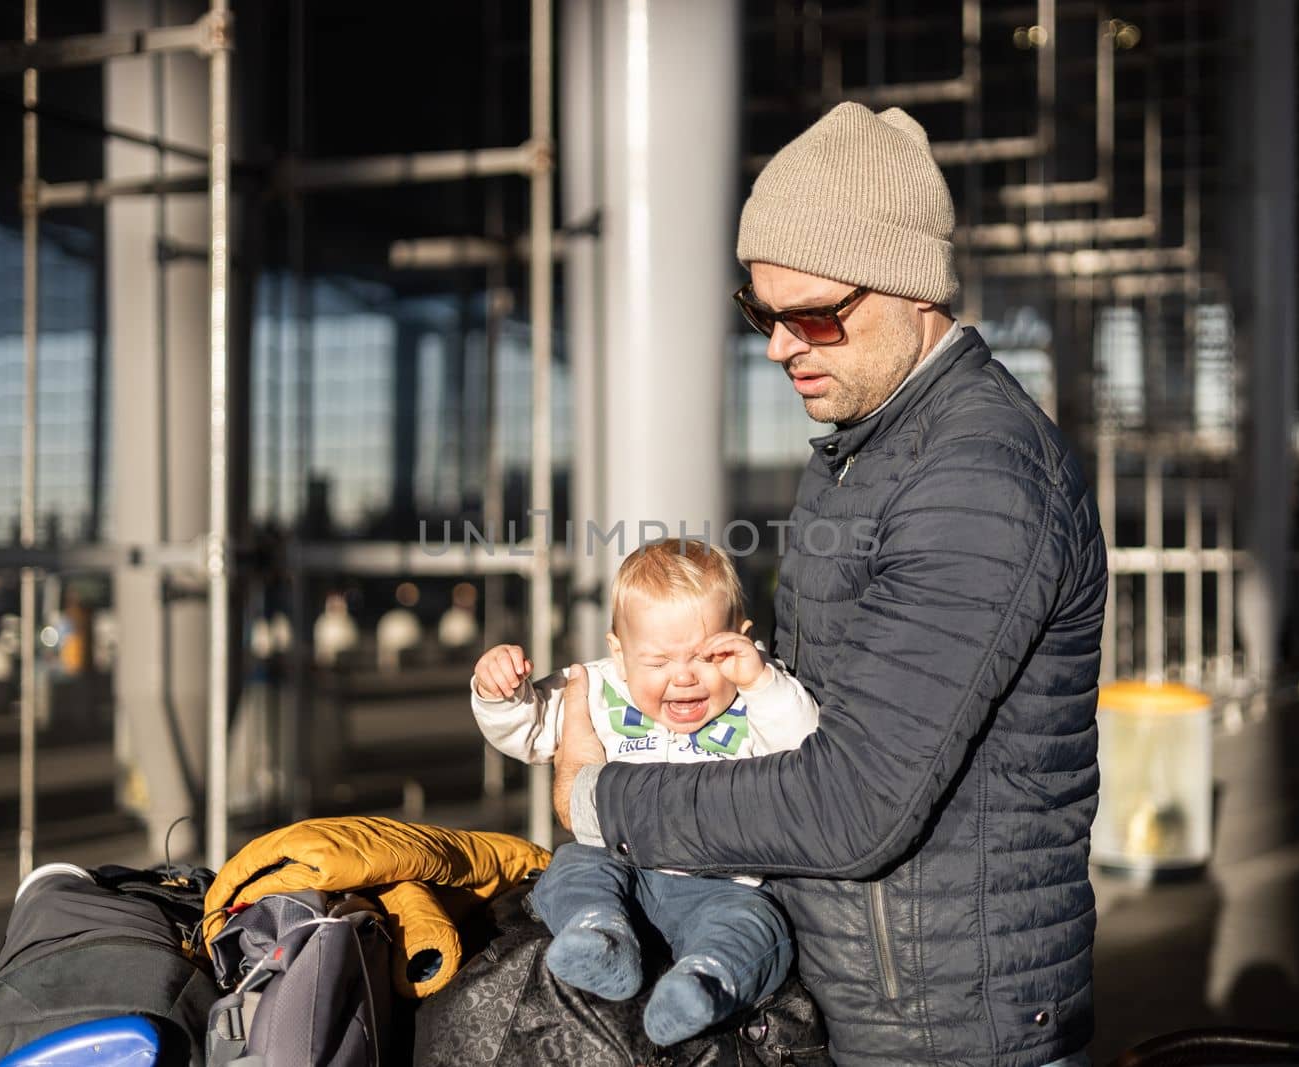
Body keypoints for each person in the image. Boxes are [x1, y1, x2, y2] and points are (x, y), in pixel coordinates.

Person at [555, 102, 1107, 1067]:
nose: (778, 345)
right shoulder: (868, 453)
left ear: (913, 289)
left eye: (811, 313)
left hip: (946, 1032)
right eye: (760, 313)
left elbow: (852, 803)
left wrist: (599, 796)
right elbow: (810, 718)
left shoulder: (976, 479)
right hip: (873, 1002)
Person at [471, 540, 819, 1046]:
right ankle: (598, 935)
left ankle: (702, 985)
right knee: (571, 867)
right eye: (657, 662)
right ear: (619, 652)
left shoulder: (758, 692)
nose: (683, 678)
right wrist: (500, 692)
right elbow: (531, 729)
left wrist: (760, 680)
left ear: (742, 639)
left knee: (758, 927)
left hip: (725, 886)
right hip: (621, 870)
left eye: (706, 656)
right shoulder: (597, 687)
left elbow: (805, 744)